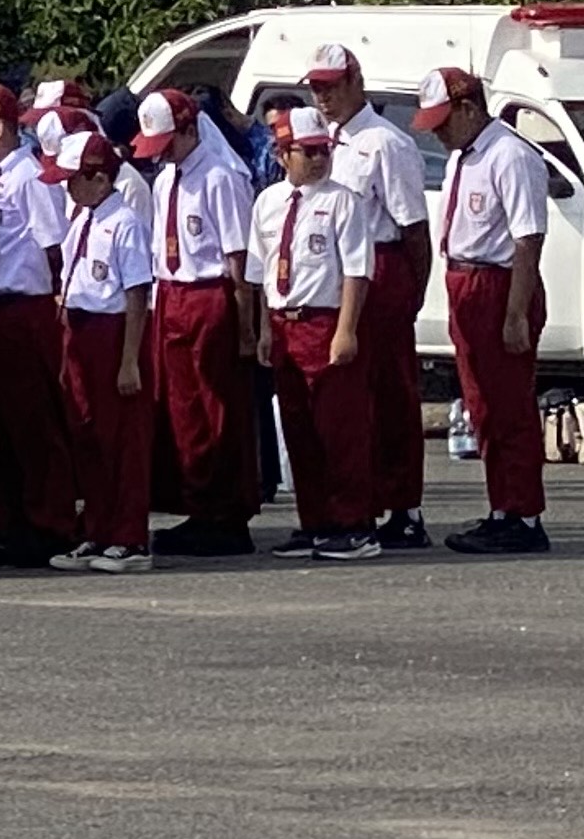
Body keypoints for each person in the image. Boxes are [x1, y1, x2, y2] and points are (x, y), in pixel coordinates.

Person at [414, 68, 553, 556]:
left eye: (443, 121)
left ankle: (524, 513)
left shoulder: (509, 155)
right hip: (467, 282)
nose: (437, 132)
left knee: (509, 405)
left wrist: (515, 312)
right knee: (483, 406)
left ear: (469, 108)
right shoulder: (462, 158)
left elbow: (527, 238)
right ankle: (503, 507)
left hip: (498, 283)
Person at [303, 44, 434, 549]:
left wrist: (413, 293)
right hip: (337, 267)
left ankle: (404, 504)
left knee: (392, 390)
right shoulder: (326, 141)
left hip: (382, 263)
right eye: (317, 88)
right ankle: (359, 499)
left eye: (332, 86)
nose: (324, 97)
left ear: (356, 81)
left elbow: (412, 227)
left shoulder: (384, 143)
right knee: (350, 397)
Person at [131, 84, 260, 558]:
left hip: (209, 296)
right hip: (172, 292)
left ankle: (226, 512)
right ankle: (197, 503)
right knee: (183, 411)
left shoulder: (221, 176)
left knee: (217, 407)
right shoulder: (167, 178)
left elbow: (237, 259)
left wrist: (246, 325)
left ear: (188, 130)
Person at [0, 81, 75, 566]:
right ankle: (13, 519)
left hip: (24, 307)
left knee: (33, 421)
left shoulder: (28, 177)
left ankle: (50, 522)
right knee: (2, 422)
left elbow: (55, 246)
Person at [254, 106, 379, 562]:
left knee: (339, 430)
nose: (318, 159)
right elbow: (262, 269)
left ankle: (353, 522)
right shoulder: (268, 203)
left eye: (323, 150)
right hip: (286, 323)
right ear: (283, 153)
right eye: (308, 152)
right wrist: (264, 330)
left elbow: (356, 271)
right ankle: (315, 520)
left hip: (325, 320)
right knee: (299, 431)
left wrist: (346, 329)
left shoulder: (342, 200)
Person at [46, 129, 154, 573]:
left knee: (120, 439)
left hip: (112, 332)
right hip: (80, 330)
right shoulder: (83, 220)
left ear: (97, 177)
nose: (68, 188)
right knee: (86, 434)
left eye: (74, 179)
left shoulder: (123, 223)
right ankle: (97, 528)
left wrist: (129, 359)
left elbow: (135, 293)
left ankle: (128, 536)